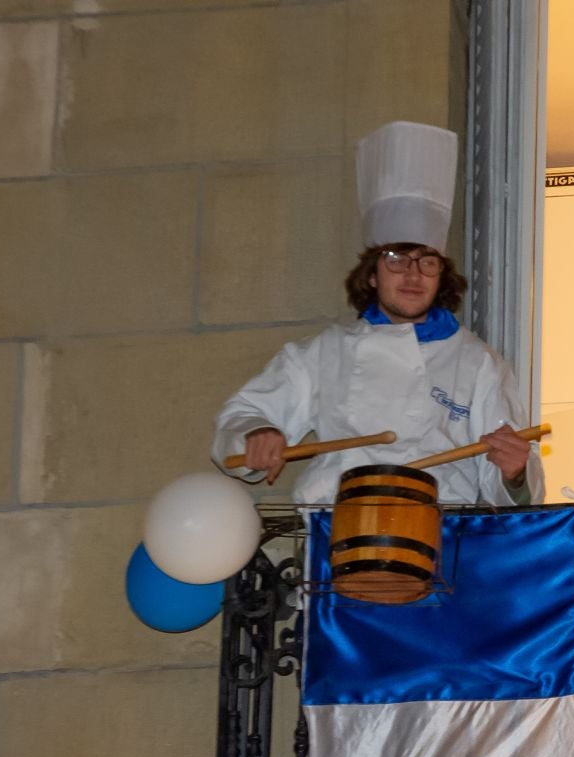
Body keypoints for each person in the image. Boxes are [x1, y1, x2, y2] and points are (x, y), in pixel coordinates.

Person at [212, 122, 543, 507]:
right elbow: (242, 415)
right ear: (371, 274)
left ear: (442, 274)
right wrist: (258, 433)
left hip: (443, 533)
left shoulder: (479, 363)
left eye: (427, 262)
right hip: (340, 535)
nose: (413, 274)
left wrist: (514, 471)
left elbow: (512, 489)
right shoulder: (325, 353)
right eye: (396, 259)